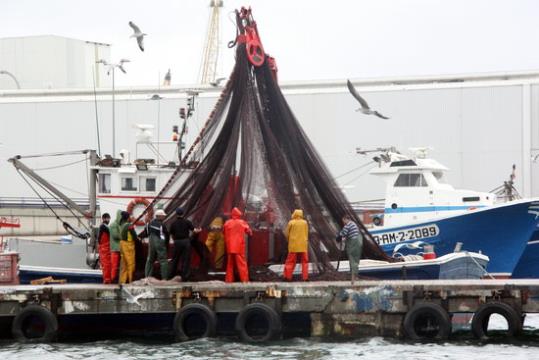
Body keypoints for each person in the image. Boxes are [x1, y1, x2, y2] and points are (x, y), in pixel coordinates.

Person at [168, 208, 201, 279]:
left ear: (176, 214)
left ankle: (171, 275)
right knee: (186, 259)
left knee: (175, 259)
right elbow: (194, 231)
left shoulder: (173, 223)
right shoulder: (187, 222)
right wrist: (199, 230)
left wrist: (175, 240)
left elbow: (170, 234)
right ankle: (184, 276)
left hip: (177, 242)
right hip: (186, 242)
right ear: (183, 214)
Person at [223, 207, 252, 283]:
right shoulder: (242, 222)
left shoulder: (227, 223)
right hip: (239, 247)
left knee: (230, 264)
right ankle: (244, 280)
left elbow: (223, 232)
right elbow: (249, 232)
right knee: (242, 264)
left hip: (229, 247)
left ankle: (229, 280)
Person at [139, 209, 169, 279]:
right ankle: (165, 279)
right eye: (163, 216)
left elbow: (146, 233)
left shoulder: (150, 224)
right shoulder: (162, 225)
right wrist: (166, 245)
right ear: (159, 216)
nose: (164, 217)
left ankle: (147, 278)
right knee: (163, 261)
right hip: (160, 244)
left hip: (151, 244)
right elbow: (166, 235)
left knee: (150, 260)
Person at [283, 209, 309, 281]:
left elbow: (286, 234)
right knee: (305, 262)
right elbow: (306, 233)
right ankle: (305, 278)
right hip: (303, 245)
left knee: (290, 261)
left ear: (294, 214)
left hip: (293, 246)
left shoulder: (291, 222)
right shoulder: (305, 223)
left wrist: (289, 240)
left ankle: (288, 277)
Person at [338, 214, 363, 284]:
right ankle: (355, 276)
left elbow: (343, 233)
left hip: (353, 243)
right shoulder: (353, 224)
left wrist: (338, 238)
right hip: (357, 243)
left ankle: (353, 279)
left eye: (343, 220)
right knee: (355, 260)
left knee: (352, 260)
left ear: (346, 219)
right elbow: (348, 235)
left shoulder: (348, 225)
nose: (343, 222)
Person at [109, 210, 126, 282]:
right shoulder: (113, 225)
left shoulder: (120, 225)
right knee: (114, 266)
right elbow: (115, 235)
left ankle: (118, 280)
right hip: (115, 249)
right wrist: (124, 236)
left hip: (120, 249)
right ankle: (112, 280)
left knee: (120, 267)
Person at [119, 211, 136, 284]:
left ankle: (122, 281)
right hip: (129, 246)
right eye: (130, 217)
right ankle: (130, 280)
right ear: (128, 218)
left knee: (124, 264)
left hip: (122, 245)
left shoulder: (122, 224)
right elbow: (134, 235)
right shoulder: (129, 225)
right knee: (130, 263)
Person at [97, 213, 112, 284]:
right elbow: (112, 233)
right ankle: (107, 280)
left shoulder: (102, 226)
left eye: (109, 218)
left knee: (105, 264)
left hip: (103, 248)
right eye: (108, 218)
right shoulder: (104, 226)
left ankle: (106, 279)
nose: (108, 220)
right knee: (107, 265)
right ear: (104, 219)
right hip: (105, 248)